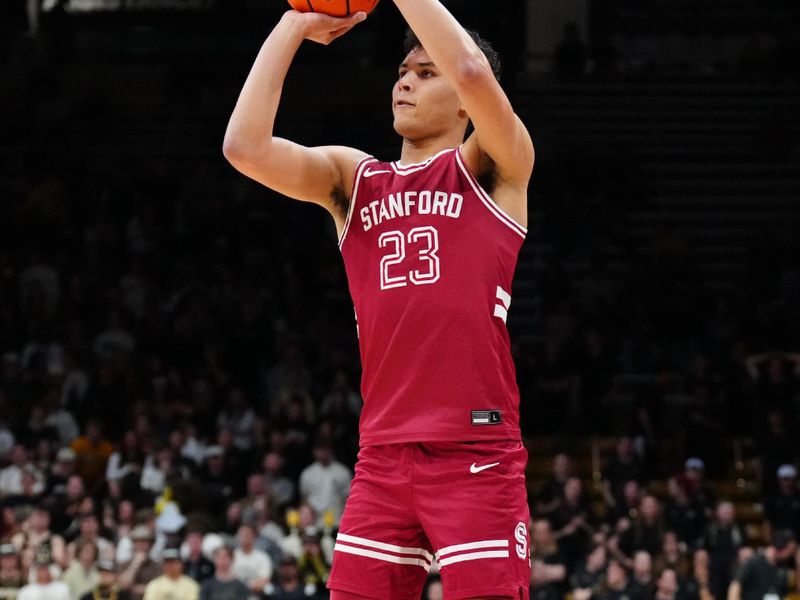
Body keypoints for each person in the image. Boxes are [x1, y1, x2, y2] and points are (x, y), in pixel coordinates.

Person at [223, 0, 535, 596]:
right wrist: (293, 25)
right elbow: (244, 147)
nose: (405, 81)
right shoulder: (355, 178)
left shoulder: (495, 166)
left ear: (468, 100)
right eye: (401, 72)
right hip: (382, 455)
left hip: (475, 449)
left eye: (424, 71)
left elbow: (470, 69)